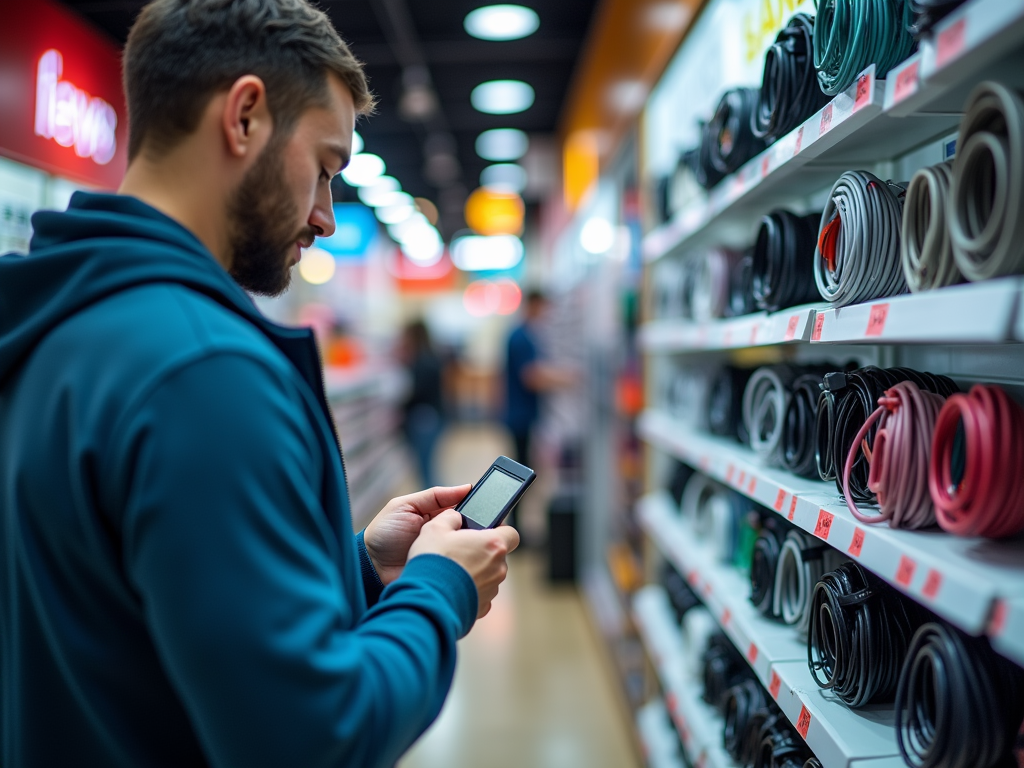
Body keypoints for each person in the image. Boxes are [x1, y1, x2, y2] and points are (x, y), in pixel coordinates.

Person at [0, 2, 518, 767]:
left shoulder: (55, 318)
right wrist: (437, 590)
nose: (329, 218)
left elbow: (131, 613)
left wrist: (358, 566)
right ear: (244, 117)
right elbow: (317, 738)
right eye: (325, 167)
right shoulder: (202, 372)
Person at [502, 290, 577, 526]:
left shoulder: (522, 335)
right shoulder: (522, 337)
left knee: (522, 471)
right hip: (521, 417)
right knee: (520, 473)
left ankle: (519, 525)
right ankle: (517, 527)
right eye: (544, 307)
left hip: (521, 415)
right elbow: (531, 376)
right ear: (533, 305)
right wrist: (568, 378)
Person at [400, 319, 446, 488]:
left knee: (426, 470)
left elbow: (416, 393)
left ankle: (440, 507)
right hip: (433, 417)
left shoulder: (421, 362)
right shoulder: (431, 357)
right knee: (427, 468)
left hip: (424, 419)